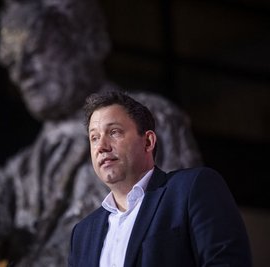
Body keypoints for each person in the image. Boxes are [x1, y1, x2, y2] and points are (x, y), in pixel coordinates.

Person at [0, 0, 201, 266]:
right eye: (10, 63)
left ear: (87, 41)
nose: (20, 73)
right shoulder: (20, 173)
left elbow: (173, 237)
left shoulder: (151, 119)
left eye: (34, 51)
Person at [68, 90, 252, 267]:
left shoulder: (192, 189)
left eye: (114, 132)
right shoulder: (83, 233)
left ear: (148, 141)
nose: (101, 146)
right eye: (94, 137)